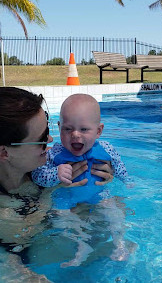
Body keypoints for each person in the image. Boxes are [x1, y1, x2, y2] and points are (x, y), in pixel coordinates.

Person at [0, 87, 113, 279]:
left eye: (49, 130)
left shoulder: (42, 171)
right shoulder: (5, 213)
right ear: (4, 153)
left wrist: (99, 178)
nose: (51, 140)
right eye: (41, 139)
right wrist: (53, 193)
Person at [32, 94, 135, 266]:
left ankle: (120, 243)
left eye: (84, 129)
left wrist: (127, 180)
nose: (75, 135)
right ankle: (81, 246)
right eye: (67, 129)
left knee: (113, 211)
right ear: (59, 127)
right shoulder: (53, 153)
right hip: (66, 198)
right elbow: (38, 176)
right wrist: (55, 174)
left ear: (99, 131)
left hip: (98, 193)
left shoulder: (107, 148)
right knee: (60, 217)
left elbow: (118, 166)